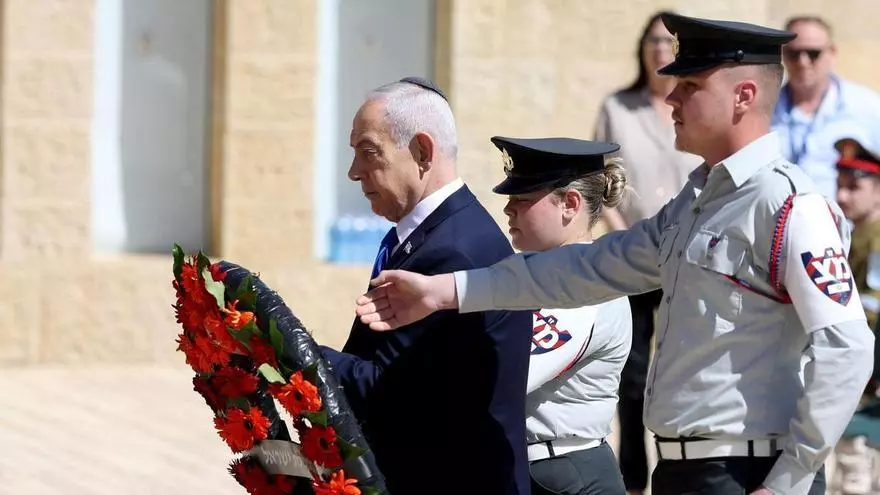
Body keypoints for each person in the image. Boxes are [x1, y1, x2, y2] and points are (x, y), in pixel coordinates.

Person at [354, 14, 876, 495]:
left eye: (691, 86)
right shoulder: (697, 202)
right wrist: (445, 290)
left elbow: (847, 348)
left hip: (751, 471)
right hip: (686, 471)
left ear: (744, 96)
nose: (671, 98)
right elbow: (585, 268)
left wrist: (789, 480)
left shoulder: (790, 205)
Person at [317, 77, 534, 495]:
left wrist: (292, 347)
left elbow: (388, 392)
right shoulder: (435, 233)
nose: (354, 172)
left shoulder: (454, 252)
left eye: (369, 152)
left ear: (422, 152)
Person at [592, 11, 702, 493]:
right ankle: (634, 477)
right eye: (651, 40)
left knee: (683, 365)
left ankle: (681, 471)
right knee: (632, 372)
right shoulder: (618, 107)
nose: (659, 48)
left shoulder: (693, 103)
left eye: (667, 41)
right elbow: (600, 180)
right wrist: (621, 234)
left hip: (689, 254)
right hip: (634, 253)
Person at [490, 135, 633, 494]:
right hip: (541, 468)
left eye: (523, 198)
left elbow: (509, 375)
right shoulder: (536, 276)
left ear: (569, 204)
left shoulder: (588, 286)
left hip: (568, 474)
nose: (508, 209)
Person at [772, 15, 880, 201]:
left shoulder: (867, 107)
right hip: (776, 216)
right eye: (793, 53)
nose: (803, 62)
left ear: (832, 53)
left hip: (841, 217)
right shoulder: (764, 108)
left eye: (813, 53)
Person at [829, 135, 880, 495]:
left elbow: (872, 307)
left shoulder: (876, 238)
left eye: (854, 187)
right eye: (840, 185)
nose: (842, 196)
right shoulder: (856, 233)